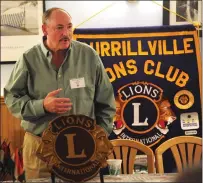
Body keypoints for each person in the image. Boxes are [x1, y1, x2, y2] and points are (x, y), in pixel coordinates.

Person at [4, 7, 116, 180]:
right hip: (39, 150)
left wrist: (98, 137)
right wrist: (42, 106)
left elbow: (106, 103)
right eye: (59, 28)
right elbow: (12, 98)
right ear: (44, 29)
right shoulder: (28, 59)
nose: (66, 33)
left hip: (83, 150)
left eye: (69, 27)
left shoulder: (89, 56)